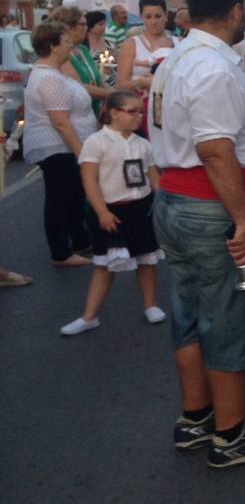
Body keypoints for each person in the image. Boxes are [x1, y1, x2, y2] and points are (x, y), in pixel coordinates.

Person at [150, 0, 245, 469]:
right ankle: (230, 436)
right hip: (214, 210)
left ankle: (197, 418)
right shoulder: (211, 66)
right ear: (235, 10)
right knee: (230, 317)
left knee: (190, 313)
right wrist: (243, 220)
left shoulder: (178, 59)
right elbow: (215, 151)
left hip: (179, 204)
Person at [60, 90, 167, 335]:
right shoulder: (96, 142)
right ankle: (89, 316)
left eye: (140, 111)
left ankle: (151, 305)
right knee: (106, 265)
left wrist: (161, 202)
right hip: (110, 210)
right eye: (132, 112)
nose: (138, 116)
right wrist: (101, 212)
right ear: (115, 113)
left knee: (146, 259)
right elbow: (90, 181)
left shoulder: (143, 144)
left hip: (140, 208)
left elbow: (154, 179)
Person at [24, 22, 100, 267]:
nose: (71, 47)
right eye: (66, 42)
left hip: (63, 147)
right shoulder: (49, 78)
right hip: (56, 147)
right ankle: (61, 252)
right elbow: (61, 122)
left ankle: (79, 242)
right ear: (53, 46)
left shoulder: (53, 74)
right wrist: (81, 152)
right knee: (59, 198)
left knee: (71, 196)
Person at [116, 0, 175, 131]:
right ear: (141, 17)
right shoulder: (131, 44)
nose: (154, 22)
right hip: (140, 111)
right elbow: (121, 84)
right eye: (148, 17)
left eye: (158, 16)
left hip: (170, 109)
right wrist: (141, 83)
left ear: (166, 16)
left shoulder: (177, 42)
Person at [51, 6, 111, 118]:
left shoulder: (82, 49)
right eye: (83, 24)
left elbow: (98, 81)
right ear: (68, 26)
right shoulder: (63, 54)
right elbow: (79, 87)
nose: (86, 28)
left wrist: (119, 94)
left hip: (93, 113)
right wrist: (112, 95)